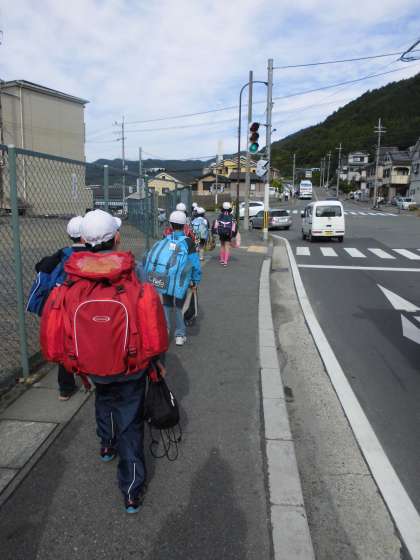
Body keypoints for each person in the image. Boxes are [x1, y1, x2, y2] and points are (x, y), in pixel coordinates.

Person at [46, 209, 168, 514]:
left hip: (90, 362)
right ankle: (131, 490)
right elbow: (151, 317)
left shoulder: (71, 273)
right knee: (131, 422)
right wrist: (156, 359)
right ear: (117, 237)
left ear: (84, 240)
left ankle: (106, 443)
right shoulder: (134, 271)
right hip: (131, 364)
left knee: (103, 398)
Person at [35, 215, 86, 401]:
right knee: (87, 340)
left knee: (66, 345)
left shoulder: (63, 253)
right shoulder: (92, 253)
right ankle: (93, 377)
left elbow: (40, 267)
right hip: (84, 306)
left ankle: (65, 389)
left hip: (63, 306)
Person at [145, 210, 201, 346]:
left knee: (166, 304)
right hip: (181, 279)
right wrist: (195, 280)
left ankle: (166, 330)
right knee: (180, 305)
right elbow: (194, 263)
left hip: (165, 276)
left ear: (170, 224)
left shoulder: (165, 238)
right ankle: (180, 335)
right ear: (184, 225)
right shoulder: (188, 242)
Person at [213, 202, 237, 267]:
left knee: (222, 246)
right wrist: (233, 234)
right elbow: (234, 225)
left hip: (221, 233)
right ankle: (225, 261)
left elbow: (216, 224)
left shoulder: (220, 215)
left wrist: (215, 232)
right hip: (228, 233)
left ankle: (221, 259)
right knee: (227, 247)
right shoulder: (231, 216)